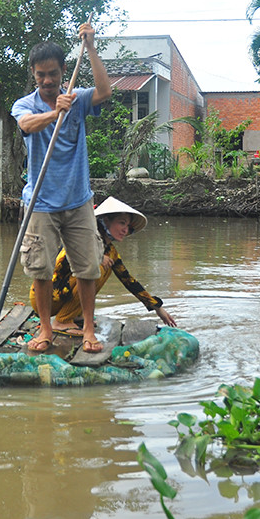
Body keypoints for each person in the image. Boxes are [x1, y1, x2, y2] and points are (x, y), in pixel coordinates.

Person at [12, 21, 112, 353]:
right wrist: (55, 114)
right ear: (33, 74)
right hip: (41, 202)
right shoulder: (25, 104)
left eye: (52, 73)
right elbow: (25, 125)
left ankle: (87, 330)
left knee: (87, 268)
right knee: (40, 269)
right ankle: (44, 330)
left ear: (62, 70)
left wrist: (92, 47)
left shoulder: (78, 99)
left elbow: (105, 92)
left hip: (78, 199)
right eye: (40, 75)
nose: (47, 80)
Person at [30, 197, 177, 352]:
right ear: (106, 221)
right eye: (121, 223)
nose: (125, 229)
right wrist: (96, 257)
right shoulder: (84, 239)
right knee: (96, 269)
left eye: (128, 226)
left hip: (63, 297)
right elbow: (62, 262)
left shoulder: (111, 251)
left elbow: (128, 280)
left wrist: (156, 307)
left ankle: (74, 314)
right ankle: (62, 321)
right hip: (46, 297)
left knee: (104, 267)